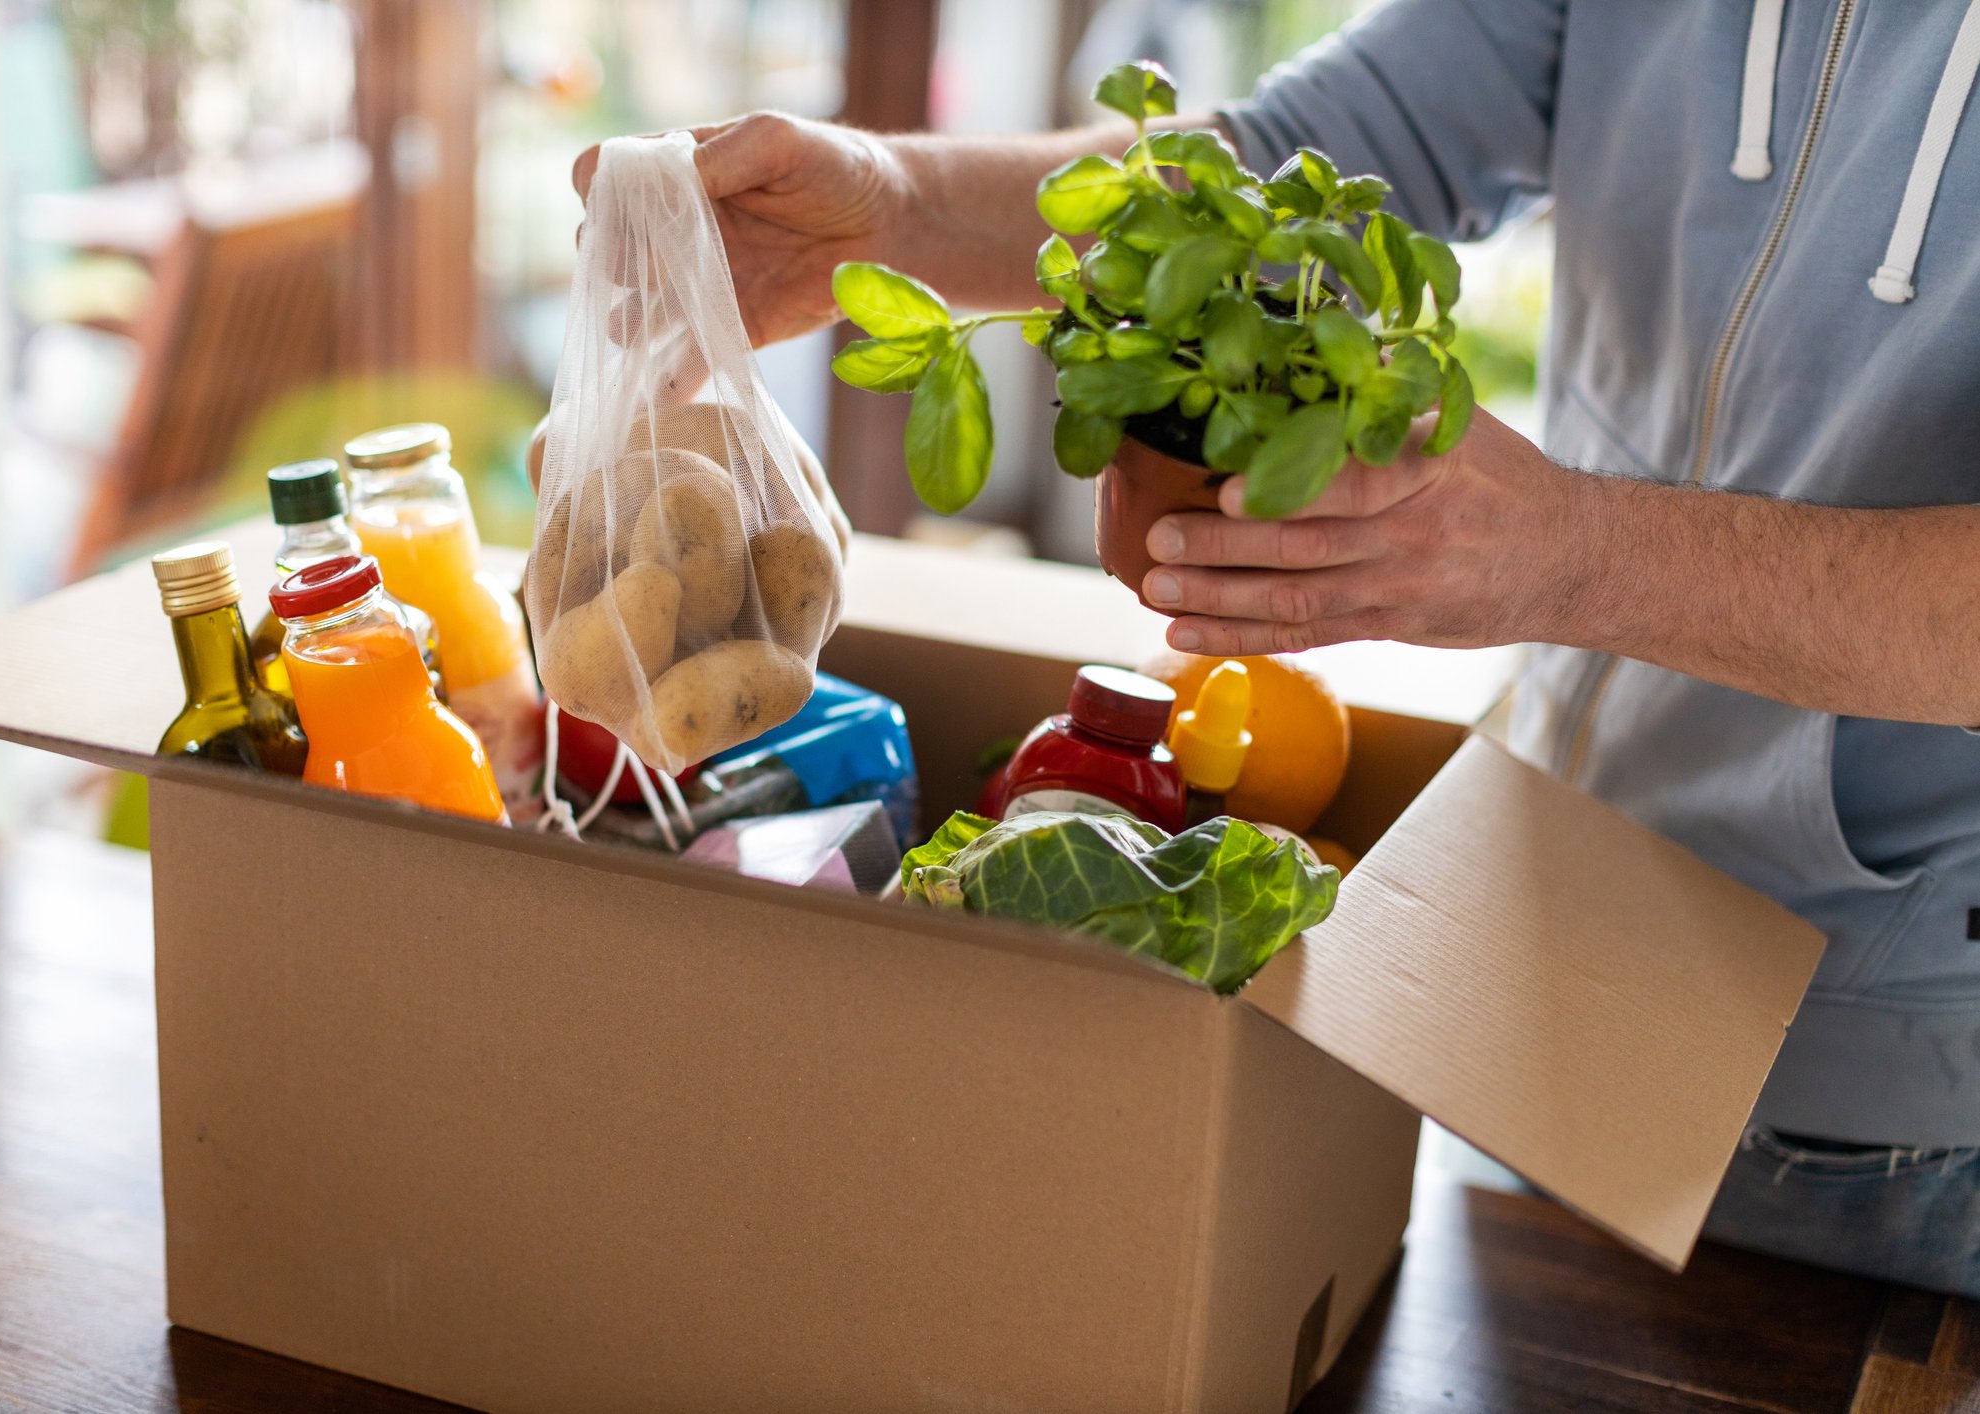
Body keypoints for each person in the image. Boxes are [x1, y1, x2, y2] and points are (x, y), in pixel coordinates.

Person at [574, 0, 1980, 1296]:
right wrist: (894, 210)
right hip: (1560, 951)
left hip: (1913, 1115)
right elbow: (1320, 156)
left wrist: (1569, 552)